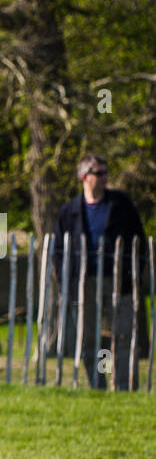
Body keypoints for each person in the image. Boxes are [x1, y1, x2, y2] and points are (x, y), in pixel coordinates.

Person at [53, 154, 148, 390]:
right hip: (85, 283)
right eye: (100, 173)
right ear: (85, 177)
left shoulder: (121, 205)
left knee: (123, 334)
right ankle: (99, 383)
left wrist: (131, 273)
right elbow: (58, 251)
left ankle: (124, 385)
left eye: (106, 173)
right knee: (90, 338)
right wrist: (67, 280)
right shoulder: (70, 211)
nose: (105, 178)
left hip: (118, 282)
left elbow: (140, 242)